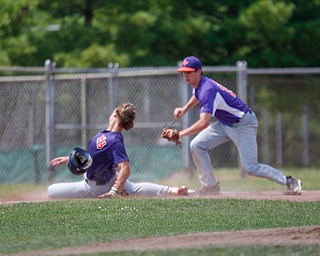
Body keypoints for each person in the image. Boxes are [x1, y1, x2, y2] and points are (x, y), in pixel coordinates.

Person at [172, 56, 302, 195]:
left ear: (199, 72)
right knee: (197, 145)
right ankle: (211, 187)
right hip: (225, 124)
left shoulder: (207, 89)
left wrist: (179, 134)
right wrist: (184, 109)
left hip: (243, 124)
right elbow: (197, 96)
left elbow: (203, 123)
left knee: (251, 167)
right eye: (184, 72)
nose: (186, 75)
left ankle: (290, 181)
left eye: (189, 72)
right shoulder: (199, 85)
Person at [48, 102, 191, 199]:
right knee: (135, 189)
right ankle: (174, 191)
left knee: (51, 191)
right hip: (106, 178)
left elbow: (126, 168)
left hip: (96, 186)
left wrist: (114, 190)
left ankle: (176, 191)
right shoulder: (105, 135)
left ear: (116, 114)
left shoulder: (115, 140)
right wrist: (69, 159)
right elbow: (95, 156)